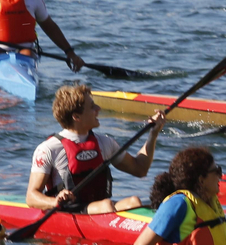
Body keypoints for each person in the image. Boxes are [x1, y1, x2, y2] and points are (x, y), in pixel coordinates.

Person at [27, 82, 167, 215]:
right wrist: (54, 201)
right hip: (68, 210)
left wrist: (153, 134)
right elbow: (31, 197)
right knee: (106, 205)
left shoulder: (104, 142)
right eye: (92, 106)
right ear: (76, 116)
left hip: (101, 208)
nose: (98, 109)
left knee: (134, 202)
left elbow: (140, 169)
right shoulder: (48, 149)